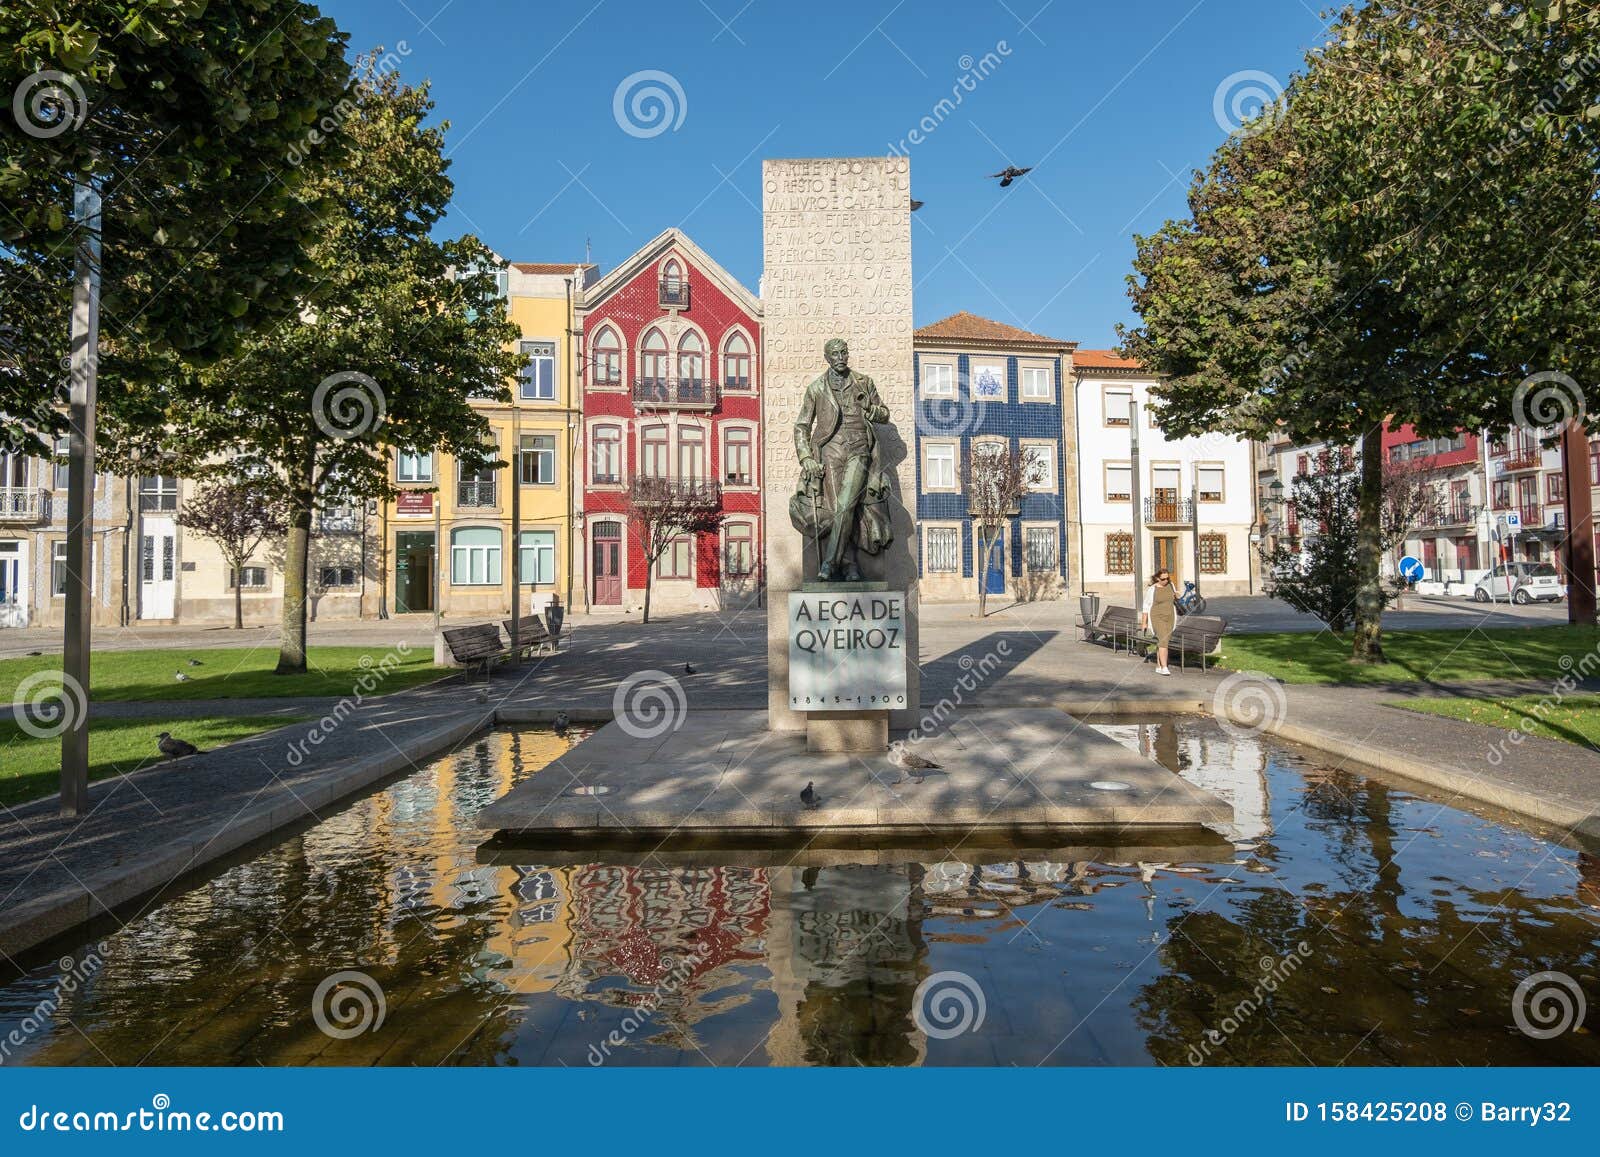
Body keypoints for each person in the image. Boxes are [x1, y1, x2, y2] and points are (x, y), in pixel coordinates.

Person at [1139, 568, 1177, 675]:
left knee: (1163, 640)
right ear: (1157, 578)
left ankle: (1159, 665)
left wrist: (1176, 595)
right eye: (1163, 579)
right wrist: (1144, 622)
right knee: (1163, 640)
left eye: (1167, 578)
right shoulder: (1152, 589)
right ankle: (1165, 667)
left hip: (1170, 616)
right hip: (1157, 617)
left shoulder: (1171, 585)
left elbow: (1174, 599)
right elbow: (1146, 606)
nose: (1166, 581)